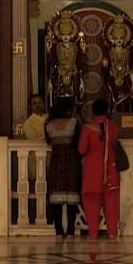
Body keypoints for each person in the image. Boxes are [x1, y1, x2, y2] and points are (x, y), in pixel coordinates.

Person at [77, 99, 120, 238]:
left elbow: (82, 150)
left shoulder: (87, 128)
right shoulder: (113, 127)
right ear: (106, 110)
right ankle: (113, 233)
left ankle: (93, 233)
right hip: (111, 170)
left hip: (92, 171)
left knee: (91, 203)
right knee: (111, 203)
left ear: (93, 111)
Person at [44, 99, 81, 238]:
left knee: (55, 197)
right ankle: (70, 230)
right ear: (68, 110)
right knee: (72, 196)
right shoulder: (74, 123)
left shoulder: (48, 125)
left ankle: (59, 231)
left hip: (56, 160)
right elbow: (79, 141)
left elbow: (48, 141)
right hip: (71, 161)